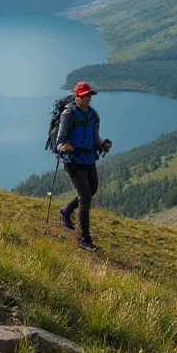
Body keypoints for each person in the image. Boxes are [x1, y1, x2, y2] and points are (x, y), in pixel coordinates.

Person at [55, 82, 112, 252]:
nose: (88, 98)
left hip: (89, 159)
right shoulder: (68, 114)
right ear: (77, 97)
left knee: (92, 190)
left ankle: (66, 211)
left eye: (89, 95)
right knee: (86, 198)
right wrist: (64, 147)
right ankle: (84, 238)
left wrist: (103, 144)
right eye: (85, 95)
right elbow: (60, 140)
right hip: (73, 161)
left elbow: (95, 137)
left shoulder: (93, 115)